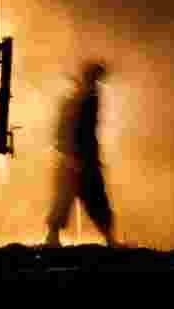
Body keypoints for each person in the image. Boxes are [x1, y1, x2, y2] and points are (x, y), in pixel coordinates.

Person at [45, 61, 119, 248]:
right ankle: (52, 238)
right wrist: (72, 156)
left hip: (82, 160)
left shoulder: (87, 99)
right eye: (95, 79)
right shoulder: (80, 101)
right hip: (74, 161)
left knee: (95, 202)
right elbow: (66, 131)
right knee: (65, 201)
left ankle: (110, 239)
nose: (97, 83)